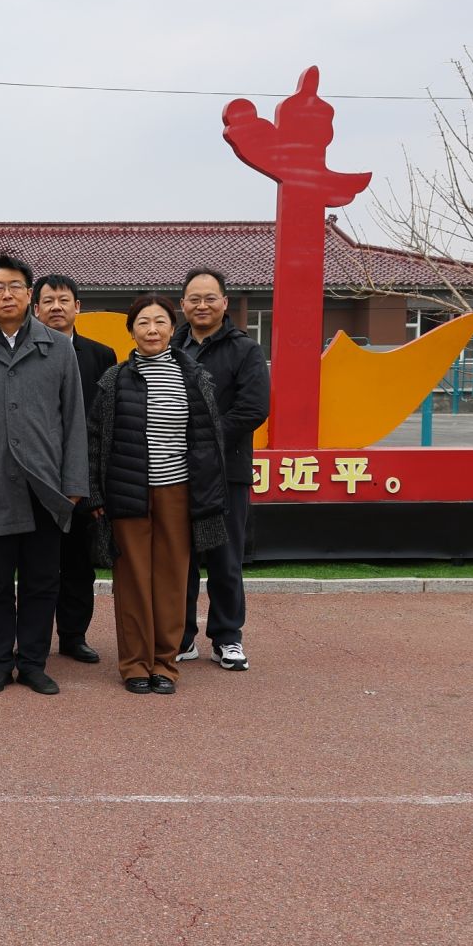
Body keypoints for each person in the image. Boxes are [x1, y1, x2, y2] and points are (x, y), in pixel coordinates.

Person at [0, 254, 89, 697]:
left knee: (43, 582)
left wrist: (74, 484)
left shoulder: (58, 348)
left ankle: (33, 663)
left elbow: (74, 421)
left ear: (30, 295)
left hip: (46, 488)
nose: (7, 294)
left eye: (15, 287)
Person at [88, 295, 229, 693]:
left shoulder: (194, 377)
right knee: (131, 578)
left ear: (172, 327)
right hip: (127, 490)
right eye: (143, 323)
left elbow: (210, 440)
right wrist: (96, 494)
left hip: (178, 491)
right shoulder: (114, 380)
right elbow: (95, 439)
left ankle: (165, 663)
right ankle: (134, 663)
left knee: (172, 578)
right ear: (131, 331)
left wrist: (208, 493)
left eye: (160, 322)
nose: (152, 330)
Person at [172, 268, 270, 670]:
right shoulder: (170, 347)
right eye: (194, 299)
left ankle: (228, 638)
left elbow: (253, 409)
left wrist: (203, 440)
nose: (202, 305)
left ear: (225, 303)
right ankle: (180, 637)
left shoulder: (245, 349)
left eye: (210, 298)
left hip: (227, 471)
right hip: (176, 472)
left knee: (225, 559)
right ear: (182, 304)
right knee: (180, 560)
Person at [33, 274, 118, 665]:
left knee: (79, 566)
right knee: (37, 564)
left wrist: (96, 483)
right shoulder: (25, 354)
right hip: (37, 475)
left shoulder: (101, 356)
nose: (56, 307)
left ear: (77, 307)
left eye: (63, 300)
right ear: (36, 309)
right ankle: (33, 639)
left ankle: (73, 636)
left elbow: (107, 421)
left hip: (82, 477)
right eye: (48, 301)